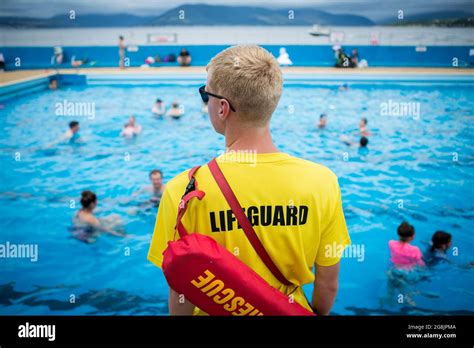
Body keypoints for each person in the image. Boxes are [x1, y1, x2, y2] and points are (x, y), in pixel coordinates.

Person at [148, 45, 350, 316]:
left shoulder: (184, 190)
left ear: (222, 108)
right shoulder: (322, 182)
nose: (204, 102)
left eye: (204, 94)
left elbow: (181, 293)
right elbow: (328, 284)